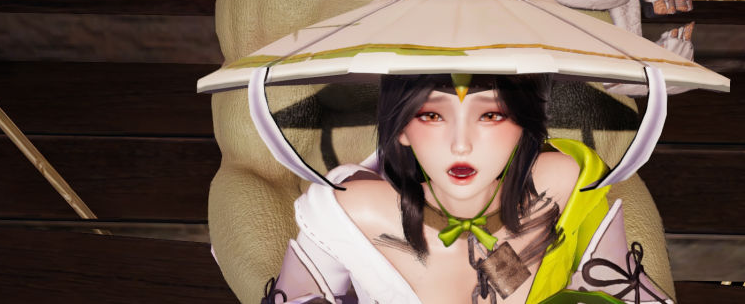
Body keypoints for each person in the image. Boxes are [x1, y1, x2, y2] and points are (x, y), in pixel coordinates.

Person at [207, 0, 689, 302]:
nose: (461, 143)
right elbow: (254, 174)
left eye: (492, 114)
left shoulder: (567, 173)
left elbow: (616, 196)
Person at [266, 74, 675, 303]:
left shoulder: (562, 184)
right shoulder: (353, 208)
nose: (461, 145)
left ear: (524, 125)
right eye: (432, 115)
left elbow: (623, 292)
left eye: (491, 115)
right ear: (401, 127)